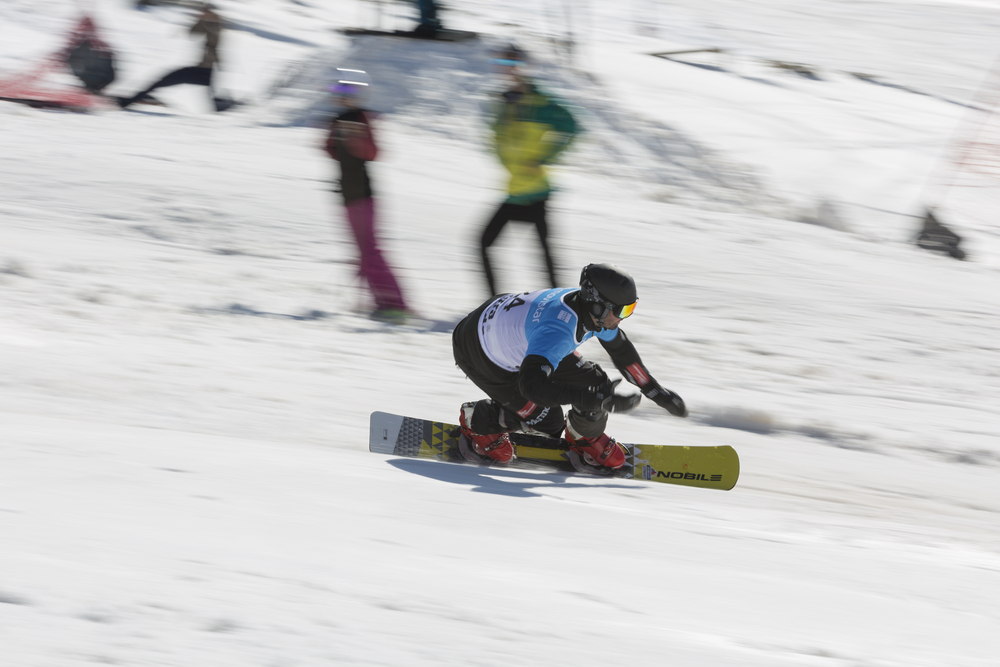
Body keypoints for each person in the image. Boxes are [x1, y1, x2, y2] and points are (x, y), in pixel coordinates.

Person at [452, 263, 688, 468]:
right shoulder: (559, 330)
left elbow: (621, 350)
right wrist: (590, 400)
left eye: (630, 309)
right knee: (549, 420)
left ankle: (584, 437)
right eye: (622, 310)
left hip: (514, 332)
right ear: (597, 306)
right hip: (476, 350)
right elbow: (531, 386)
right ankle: (477, 420)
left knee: (595, 383)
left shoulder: (591, 311)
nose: (623, 317)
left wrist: (654, 390)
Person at [478, 47, 579, 299]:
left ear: (526, 67)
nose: (509, 68)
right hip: (514, 189)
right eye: (502, 62)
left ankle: (560, 303)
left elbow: (573, 126)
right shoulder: (504, 102)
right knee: (487, 244)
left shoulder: (540, 102)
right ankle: (495, 304)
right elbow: (497, 138)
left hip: (536, 191)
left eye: (515, 63)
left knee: (543, 253)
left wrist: (545, 158)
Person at [323, 69, 409, 322]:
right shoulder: (338, 120)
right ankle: (378, 301)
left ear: (358, 94)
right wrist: (335, 137)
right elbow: (328, 149)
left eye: (347, 90)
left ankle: (396, 305)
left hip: (364, 195)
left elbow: (374, 153)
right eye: (338, 90)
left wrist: (355, 139)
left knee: (371, 251)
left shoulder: (362, 118)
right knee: (362, 252)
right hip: (347, 195)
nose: (342, 95)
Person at [117, 3, 230, 111]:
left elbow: (212, 41)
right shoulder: (211, 24)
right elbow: (192, 33)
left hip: (202, 69)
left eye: (207, 12)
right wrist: (201, 19)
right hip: (204, 69)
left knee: (161, 81)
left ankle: (128, 101)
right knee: (161, 82)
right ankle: (131, 100)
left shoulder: (216, 26)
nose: (204, 13)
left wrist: (205, 19)